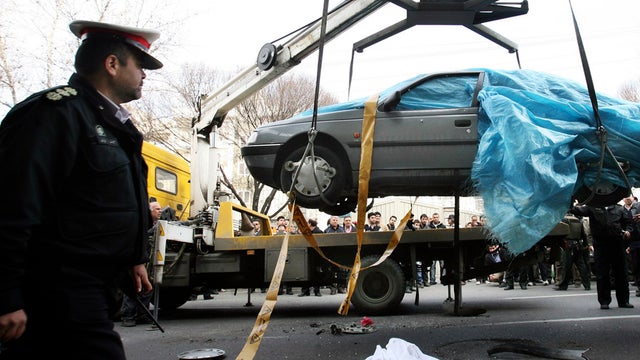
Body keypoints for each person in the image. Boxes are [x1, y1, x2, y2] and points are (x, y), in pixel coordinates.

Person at [0, 20, 161, 359]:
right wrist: (7, 296)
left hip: (95, 288)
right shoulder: (54, 114)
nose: (145, 74)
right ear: (112, 64)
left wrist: (134, 259)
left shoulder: (110, 124)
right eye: (140, 65)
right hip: (59, 287)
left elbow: (106, 202)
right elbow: (14, 206)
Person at [571, 201, 634, 309]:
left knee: (621, 273)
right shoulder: (592, 207)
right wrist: (570, 198)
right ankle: (604, 301)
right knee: (602, 273)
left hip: (617, 244)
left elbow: (628, 223)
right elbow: (576, 210)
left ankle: (624, 301)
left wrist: (628, 231)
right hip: (601, 245)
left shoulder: (620, 209)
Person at [120, 201, 162, 327]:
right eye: (157, 209)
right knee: (135, 286)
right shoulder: (141, 224)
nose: (160, 211)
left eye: (160, 209)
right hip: (135, 260)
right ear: (149, 211)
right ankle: (128, 316)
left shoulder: (154, 224)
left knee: (147, 287)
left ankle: (142, 314)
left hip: (144, 260)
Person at [555, 212, 591, 291]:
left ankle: (563, 286)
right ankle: (587, 284)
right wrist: (586, 244)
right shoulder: (578, 220)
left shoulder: (564, 220)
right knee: (581, 265)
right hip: (577, 245)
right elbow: (583, 234)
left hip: (568, 245)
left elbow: (561, 233)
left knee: (566, 266)